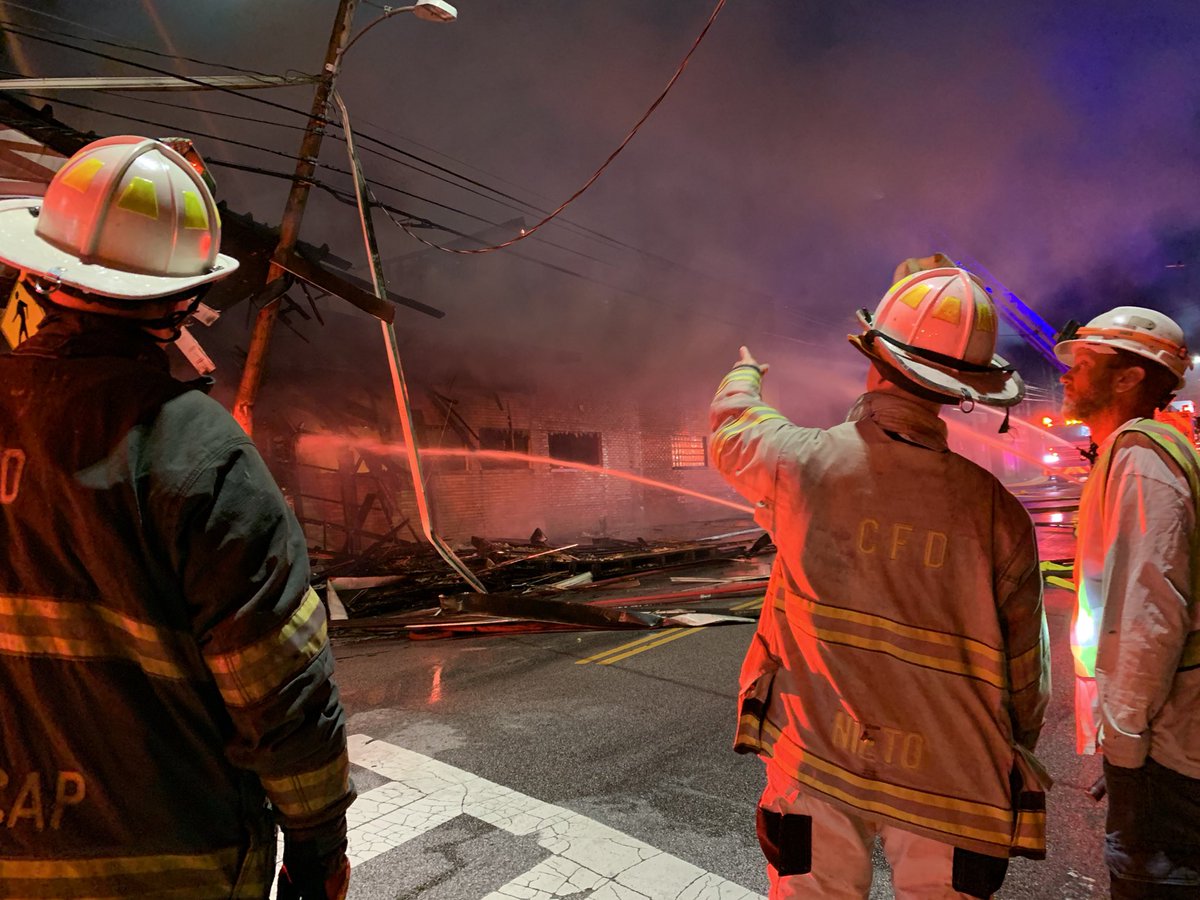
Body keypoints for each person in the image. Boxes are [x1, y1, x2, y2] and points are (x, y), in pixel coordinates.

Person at [0, 135, 354, 898]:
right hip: (170, 865)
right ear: (185, 299)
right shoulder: (202, 454)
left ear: (40, 268)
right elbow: (281, 689)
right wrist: (319, 846)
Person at [711, 254, 1051, 898]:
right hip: (953, 780)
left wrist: (744, 373)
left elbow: (733, 432)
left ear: (874, 356)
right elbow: (1026, 674)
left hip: (818, 758)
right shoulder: (998, 514)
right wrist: (1010, 748)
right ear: (964, 390)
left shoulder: (803, 464)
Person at [1055, 307, 1200, 898]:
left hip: (1164, 756)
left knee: (1152, 881)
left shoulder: (1142, 462)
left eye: (1084, 365)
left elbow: (1148, 621)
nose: (1067, 376)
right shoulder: (1134, 452)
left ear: (1128, 378)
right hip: (1162, 743)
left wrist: (1128, 756)